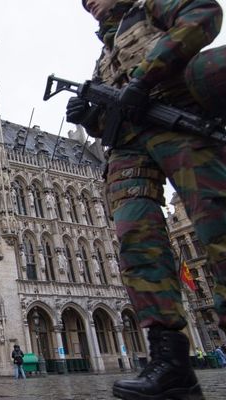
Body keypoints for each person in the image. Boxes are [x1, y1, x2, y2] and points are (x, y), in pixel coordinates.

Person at [68, 1, 225, 399]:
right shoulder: (104, 58)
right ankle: (170, 363)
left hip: (178, 117)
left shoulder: (148, 8)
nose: (92, 3)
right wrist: (91, 118)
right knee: (137, 243)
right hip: (130, 147)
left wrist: (144, 76)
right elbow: (114, 117)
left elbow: (204, 15)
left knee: (217, 226)